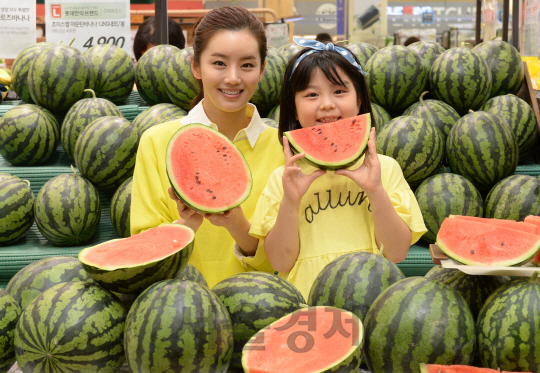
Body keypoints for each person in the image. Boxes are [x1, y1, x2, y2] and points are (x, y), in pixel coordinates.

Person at [246, 38, 427, 299]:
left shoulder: (384, 169)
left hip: (373, 302)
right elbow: (279, 262)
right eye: (311, 94)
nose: (327, 104)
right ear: (294, 110)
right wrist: (291, 201)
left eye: (339, 91)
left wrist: (375, 189)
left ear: (360, 100)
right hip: (307, 307)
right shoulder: (284, 179)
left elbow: (397, 252)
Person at [130, 6, 285, 288]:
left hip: (256, 312)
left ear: (262, 71)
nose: (233, 78)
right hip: (182, 314)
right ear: (196, 66)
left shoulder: (280, 149)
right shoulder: (156, 143)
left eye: (247, 65)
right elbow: (144, 255)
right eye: (219, 63)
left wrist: (237, 225)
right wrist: (187, 225)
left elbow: (281, 262)